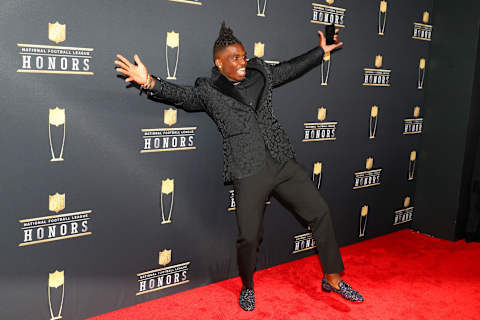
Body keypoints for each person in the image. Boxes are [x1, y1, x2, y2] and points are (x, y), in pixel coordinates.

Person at [115, 22, 363, 311]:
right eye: (235, 58)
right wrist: (149, 82)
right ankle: (247, 286)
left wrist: (320, 52)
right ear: (219, 63)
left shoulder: (260, 73)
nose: (243, 61)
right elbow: (182, 96)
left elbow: (290, 68)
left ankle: (332, 277)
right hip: (248, 170)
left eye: (243, 55)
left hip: (282, 161)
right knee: (248, 236)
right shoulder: (208, 90)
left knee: (320, 211)